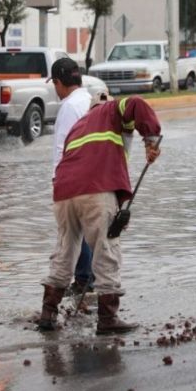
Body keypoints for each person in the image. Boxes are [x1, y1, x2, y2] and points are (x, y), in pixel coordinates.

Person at [37, 94, 162, 334]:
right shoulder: (112, 110)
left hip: (64, 192)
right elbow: (136, 103)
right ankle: (107, 319)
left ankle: (48, 314)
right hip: (95, 188)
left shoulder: (79, 125)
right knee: (106, 249)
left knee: (65, 250)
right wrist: (151, 141)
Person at [48, 58, 96, 296]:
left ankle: (83, 280)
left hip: (74, 177)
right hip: (93, 175)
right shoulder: (90, 101)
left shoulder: (68, 106)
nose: (55, 90)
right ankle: (88, 279)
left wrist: (57, 179)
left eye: (54, 84)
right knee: (89, 230)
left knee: (73, 232)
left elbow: (62, 146)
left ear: (59, 82)